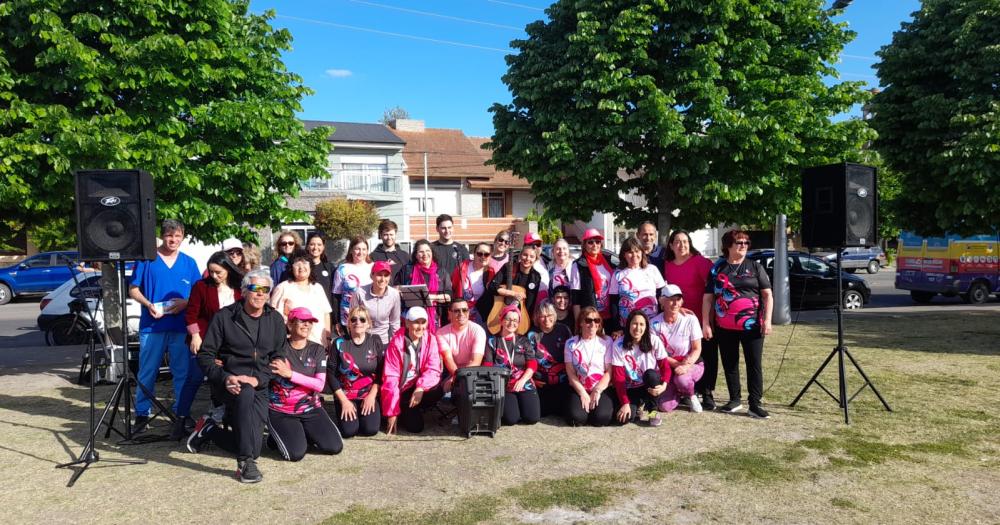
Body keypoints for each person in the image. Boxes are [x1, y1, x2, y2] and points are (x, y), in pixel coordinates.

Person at [191, 269, 286, 483]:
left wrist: (259, 379)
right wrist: (225, 377)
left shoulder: (276, 320)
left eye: (265, 289)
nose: (260, 294)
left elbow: (279, 357)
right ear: (243, 291)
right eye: (255, 288)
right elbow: (205, 356)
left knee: (255, 447)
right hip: (229, 384)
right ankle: (244, 463)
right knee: (245, 397)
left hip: (259, 383)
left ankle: (211, 431)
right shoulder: (224, 317)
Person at [128, 219, 203, 439]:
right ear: (162, 236)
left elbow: (198, 294)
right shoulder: (147, 260)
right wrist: (148, 304)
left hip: (180, 326)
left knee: (181, 372)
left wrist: (185, 303)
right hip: (153, 326)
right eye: (170, 236)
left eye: (178, 236)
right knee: (147, 371)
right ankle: (142, 413)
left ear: (183, 236)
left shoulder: (188, 262)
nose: (174, 240)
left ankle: (181, 412)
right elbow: (133, 289)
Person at [702, 229, 773, 419]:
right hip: (725, 327)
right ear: (728, 246)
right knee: (730, 363)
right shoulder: (718, 269)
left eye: (746, 242)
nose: (743, 246)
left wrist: (767, 320)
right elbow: (708, 298)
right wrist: (706, 324)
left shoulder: (755, 267)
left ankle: (755, 403)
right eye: (739, 242)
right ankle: (735, 399)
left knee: (754, 364)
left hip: (752, 327)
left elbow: (767, 295)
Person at [267, 307, 344, 461]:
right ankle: (280, 435)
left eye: (310, 322)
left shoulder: (317, 349)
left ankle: (297, 433)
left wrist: (290, 374)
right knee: (295, 454)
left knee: (334, 447)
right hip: (282, 411)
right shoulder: (277, 349)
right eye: (302, 321)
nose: (306, 325)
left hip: (310, 408)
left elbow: (320, 385)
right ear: (290, 324)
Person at [662, 229, 717, 409]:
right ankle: (684, 391)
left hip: (701, 319)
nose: (681, 245)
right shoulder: (668, 265)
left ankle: (707, 392)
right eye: (677, 242)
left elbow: (711, 292)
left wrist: (708, 320)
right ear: (671, 245)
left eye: (685, 241)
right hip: (679, 321)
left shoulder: (700, 262)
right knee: (682, 354)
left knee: (706, 356)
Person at [381, 307, 444, 434]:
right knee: (413, 427)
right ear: (407, 323)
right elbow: (391, 377)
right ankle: (400, 409)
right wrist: (392, 411)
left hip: (416, 387)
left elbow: (433, 368)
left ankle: (415, 408)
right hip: (400, 390)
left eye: (423, 322)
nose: (420, 327)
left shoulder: (430, 340)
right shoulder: (396, 343)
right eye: (416, 322)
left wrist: (421, 387)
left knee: (437, 390)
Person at [328, 305, 385, 438]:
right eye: (353, 319)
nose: (358, 322)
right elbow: (330, 374)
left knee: (370, 430)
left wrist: (372, 396)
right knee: (349, 431)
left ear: (368, 323)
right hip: (346, 395)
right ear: (348, 323)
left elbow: (381, 372)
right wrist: (344, 401)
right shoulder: (339, 343)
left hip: (368, 394)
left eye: (362, 319)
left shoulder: (375, 340)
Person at [610, 310, 671, 426]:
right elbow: (618, 378)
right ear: (628, 325)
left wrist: (664, 385)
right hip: (631, 387)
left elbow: (666, 368)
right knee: (624, 418)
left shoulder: (654, 340)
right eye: (634, 323)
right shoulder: (618, 345)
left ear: (646, 327)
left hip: (649, 385)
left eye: (641, 324)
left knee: (650, 374)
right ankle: (638, 406)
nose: (638, 328)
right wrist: (625, 403)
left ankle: (653, 412)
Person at [651, 284, 704, 413]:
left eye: (678, 299)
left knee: (682, 379)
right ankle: (679, 393)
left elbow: (697, 348)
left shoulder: (690, 319)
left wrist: (685, 366)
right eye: (671, 299)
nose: (675, 303)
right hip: (668, 365)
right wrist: (676, 365)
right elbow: (656, 352)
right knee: (664, 407)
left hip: (690, 363)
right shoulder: (653, 324)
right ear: (661, 301)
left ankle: (691, 395)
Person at [484, 305, 541, 425]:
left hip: (523, 382)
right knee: (511, 419)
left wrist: (523, 380)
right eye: (508, 319)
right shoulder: (492, 341)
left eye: (515, 320)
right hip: (504, 386)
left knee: (532, 418)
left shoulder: (524, 340)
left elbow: (532, 364)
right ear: (502, 320)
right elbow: (488, 365)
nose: (511, 323)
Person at [564, 306, 614, 426]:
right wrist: (582, 392)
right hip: (579, 387)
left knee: (601, 419)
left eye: (596, 320)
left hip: (600, 387)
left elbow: (609, 371)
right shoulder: (571, 343)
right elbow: (570, 371)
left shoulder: (607, 341)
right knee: (576, 419)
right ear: (581, 323)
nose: (592, 324)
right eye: (588, 320)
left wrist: (597, 390)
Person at [269, 250, 332, 345]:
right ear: (291, 268)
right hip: (293, 345)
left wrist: (328, 338)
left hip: (319, 343)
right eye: (297, 264)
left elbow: (326, 314)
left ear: (310, 267)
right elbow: (274, 318)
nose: (301, 267)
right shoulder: (283, 287)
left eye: (305, 263)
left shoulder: (318, 288)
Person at [608, 237, 666, 334]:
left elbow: (662, 295)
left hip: (651, 323)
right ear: (624, 255)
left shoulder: (652, 269)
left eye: (637, 251)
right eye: (630, 252)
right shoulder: (618, 274)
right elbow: (613, 302)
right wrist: (616, 327)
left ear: (642, 253)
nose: (634, 255)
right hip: (627, 325)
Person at [478, 245, 542, 332]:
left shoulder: (536, 277)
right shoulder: (508, 267)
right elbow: (492, 286)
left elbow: (530, 304)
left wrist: (525, 322)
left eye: (531, 256)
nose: (527, 258)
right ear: (520, 255)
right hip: (497, 310)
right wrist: (513, 294)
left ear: (536, 259)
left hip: (517, 316)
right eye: (525, 255)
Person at [393, 239, 451, 330]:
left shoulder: (441, 272)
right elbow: (395, 288)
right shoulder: (407, 270)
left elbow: (448, 296)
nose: (425, 254)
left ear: (432, 253)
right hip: (412, 317)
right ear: (416, 255)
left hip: (436, 317)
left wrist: (429, 297)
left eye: (428, 251)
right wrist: (401, 290)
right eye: (421, 252)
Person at [531, 299, 572, 417]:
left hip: (563, 380)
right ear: (537, 318)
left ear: (554, 316)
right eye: (542, 316)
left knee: (566, 413)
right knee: (539, 413)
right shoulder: (532, 334)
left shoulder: (564, 330)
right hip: (541, 382)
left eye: (549, 315)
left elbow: (573, 355)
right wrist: (532, 379)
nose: (546, 319)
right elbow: (527, 360)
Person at [570, 228, 615, 333]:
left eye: (598, 242)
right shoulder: (578, 265)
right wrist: (578, 324)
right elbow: (576, 297)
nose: (595, 245)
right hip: (591, 315)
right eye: (590, 242)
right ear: (584, 245)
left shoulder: (608, 261)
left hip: (609, 313)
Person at [436, 298, 487, 392]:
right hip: (451, 372)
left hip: (473, 371)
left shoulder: (478, 330)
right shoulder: (441, 333)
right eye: (456, 311)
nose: (461, 314)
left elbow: (475, 361)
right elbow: (448, 359)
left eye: (465, 310)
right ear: (449, 313)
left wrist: (457, 378)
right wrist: (455, 377)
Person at [351, 261, 401, 345]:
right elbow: (352, 320)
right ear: (372, 276)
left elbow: (395, 322)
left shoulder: (394, 294)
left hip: (384, 341)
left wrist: (395, 344)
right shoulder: (359, 292)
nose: (383, 279)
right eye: (379, 275)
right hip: (363, 340)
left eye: (386, 276)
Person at [333, 236, 374, 334]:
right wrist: (336, 321)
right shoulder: (342, 269)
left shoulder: (373, 267)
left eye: (364, 249)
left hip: (369, 318)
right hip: (348, 319)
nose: (361, 252)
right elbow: (336, 296)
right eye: (357, 249)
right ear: (351, 250)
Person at [451, 242, 491, 326]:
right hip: (462, 312)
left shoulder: (491, 272)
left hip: (481, 312)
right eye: (479, 254)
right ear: (474, 254)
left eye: (486, 254)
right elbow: (453, 287)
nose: (483, 257)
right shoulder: (462, 268)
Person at [305, 233, 337, 318]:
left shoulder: (330, 267)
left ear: (323, 247)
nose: (315, 248)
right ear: (307, 246)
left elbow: (334, 294)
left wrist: (335, 318)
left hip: (325, 314)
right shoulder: (302, 267)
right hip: (306, 313)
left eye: (319, 244)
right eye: (312, 244)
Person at [431, 213, 470, 278]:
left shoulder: (462, 249)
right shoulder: (431, 248)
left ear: (453, 228)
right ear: (437, 229)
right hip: (438, 287)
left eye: (449, 227)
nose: (447, 231)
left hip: (456, 287)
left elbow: (467, 271)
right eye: (443, 228)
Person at [522, 232, 550, 303]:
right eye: (532, 245)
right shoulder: (520, 264)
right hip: (528, 305)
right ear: (525, 246)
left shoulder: (547, 261)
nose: (536, 247)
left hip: (545, 304)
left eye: (538, 244)